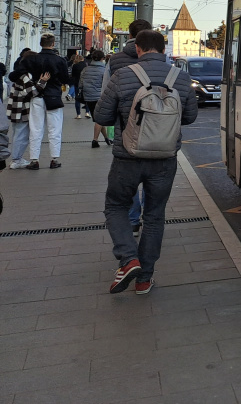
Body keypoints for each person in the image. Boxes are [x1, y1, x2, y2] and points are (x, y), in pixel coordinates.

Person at [95, 30, 198, 294]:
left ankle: (129, 259)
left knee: (116, 206)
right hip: (164, 159)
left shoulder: (123, 75)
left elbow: (102, 116)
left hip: (126, 157)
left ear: (138, 49)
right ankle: (144, 279)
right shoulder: (182, 78)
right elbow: (189, 118)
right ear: (163, 50)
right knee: (154, 216)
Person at [103, 19, 154, 237]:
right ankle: (150, 220)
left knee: (127, 174)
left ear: (130, 33)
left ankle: (133, 219)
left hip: (124, 126)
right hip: (154, 126)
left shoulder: (115, 60)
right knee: (153, 175)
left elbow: (105, 92)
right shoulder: (162, 61)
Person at [20, 34, 71, 169]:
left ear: (40, 43)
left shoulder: (33, 59)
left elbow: (20, 72)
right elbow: (66, 79)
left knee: (36, 129)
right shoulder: (60, 60)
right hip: (54, 97)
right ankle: (54, 159)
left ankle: (34, 160)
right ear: (53, 44)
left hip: (37, 96)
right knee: (55, 129)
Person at [6, 59, 50, 169]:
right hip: (21, 110)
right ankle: (16, 160)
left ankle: (16, 159)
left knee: (17, 134)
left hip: (15, 109)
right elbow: (33, 92)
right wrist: (42, 81)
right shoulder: (25, 76)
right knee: (21, 136)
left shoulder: (18, 75)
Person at [80, 50, 111, 148]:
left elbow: (80, 84)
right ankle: (95, 140)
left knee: (98, 118)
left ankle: (106, 138)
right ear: (102, 59)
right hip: (100, 97)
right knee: (99, 119)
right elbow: (107, 85)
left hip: (88, 97)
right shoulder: (104, 70)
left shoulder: (85, 69)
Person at [71, 53, 88, 119]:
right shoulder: (86, 65)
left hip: (77, 83)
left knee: (77, 98)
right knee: (86, 98)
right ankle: (87, 112)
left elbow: (73, 75)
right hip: (85, 83)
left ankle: (78, 114)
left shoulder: (75, 66)